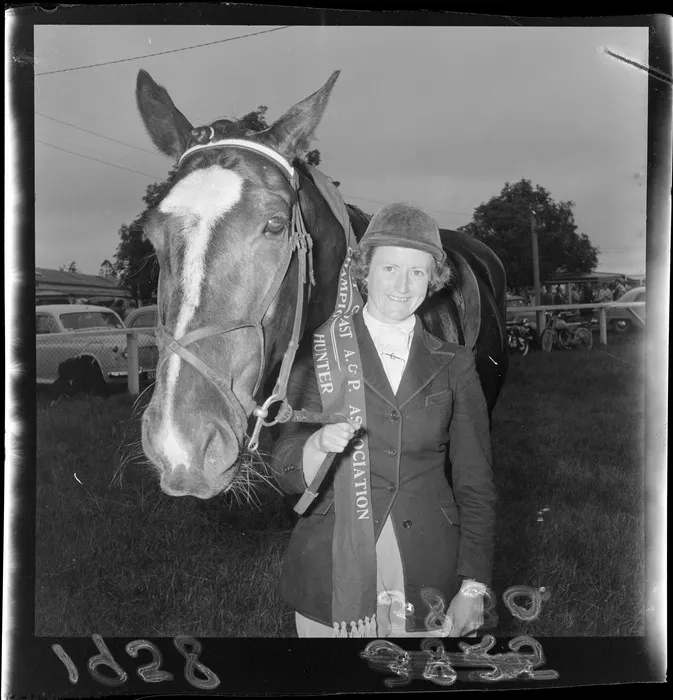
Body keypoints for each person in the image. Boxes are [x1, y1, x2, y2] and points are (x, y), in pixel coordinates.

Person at [273, 203, 496, 639]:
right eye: (390, 267)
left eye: (417, 272)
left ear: (433, 281)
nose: (402, 284)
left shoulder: (455, 364)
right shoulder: (317, 353)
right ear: (363, 271)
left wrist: (473, 584)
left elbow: (476, 480)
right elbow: (284, 469)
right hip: (331, 565)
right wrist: (315, 447)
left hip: (428, 564)